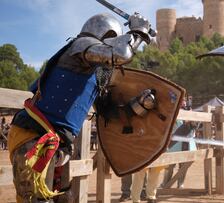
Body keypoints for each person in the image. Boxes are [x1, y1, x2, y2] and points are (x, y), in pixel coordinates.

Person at [7, 12, 154, 202]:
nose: (113, 44)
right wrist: (139, 32)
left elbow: (107, 113)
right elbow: (120, 54)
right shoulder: (80, 45)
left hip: (58, 145)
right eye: (112, 39)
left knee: (65, 198)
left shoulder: (97, 73)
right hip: (34, 136)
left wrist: (139, 105)